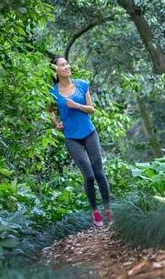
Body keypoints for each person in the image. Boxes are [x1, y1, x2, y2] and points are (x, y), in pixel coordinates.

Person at [47, 56, 112, 227]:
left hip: (89, 133)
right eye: (62, 65)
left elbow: (91, 108)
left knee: (99, 172)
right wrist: (56, 123)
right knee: (89, 176)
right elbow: (50, 110)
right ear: (55, 70)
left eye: (67, 63)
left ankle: (108, 209)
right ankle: (95, 212)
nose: (67, 66)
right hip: (71, 137)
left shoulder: (81, 84)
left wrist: (77, 106)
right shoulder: (52, 91)